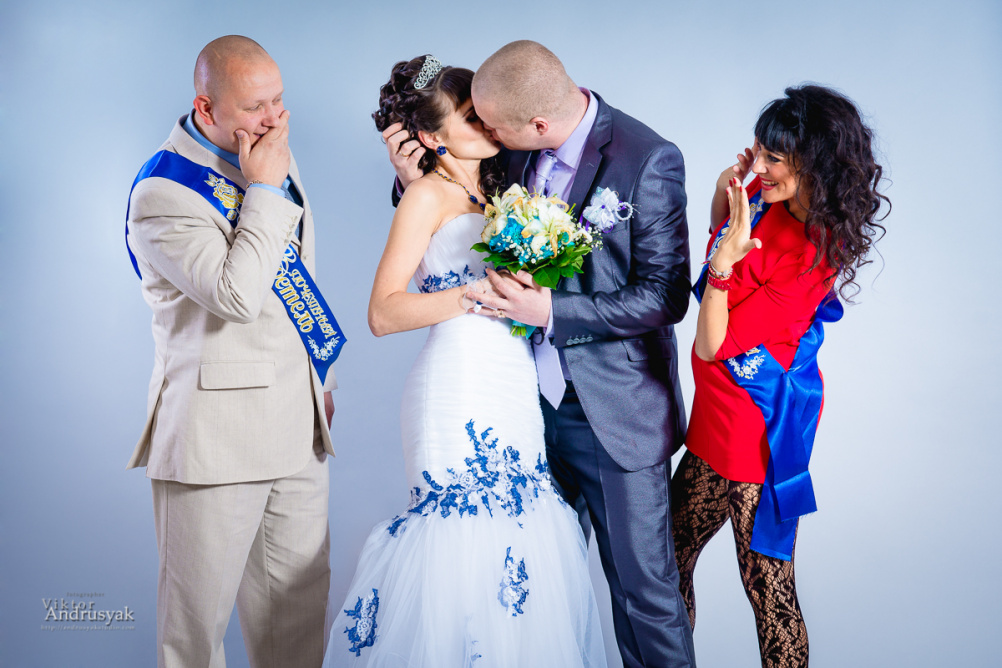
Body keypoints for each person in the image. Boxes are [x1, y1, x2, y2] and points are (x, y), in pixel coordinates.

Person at [386, 41, 695, 668]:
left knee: (643, 593)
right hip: (516, 407)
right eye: (477, 124)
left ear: (536, 124)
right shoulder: (510, 148)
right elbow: (455, 205)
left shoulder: (646, 159)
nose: (488, 136)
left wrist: (552, 312)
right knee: (527, 590)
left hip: (613, 413)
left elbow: (665, 296)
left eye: (493, 127)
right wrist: (408, 177)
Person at [322, 55, 606, 667]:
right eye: (471, 118)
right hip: (457, 383)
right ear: (433, 138)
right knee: (461, 534)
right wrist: (471, 294)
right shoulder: (425, 196)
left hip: (513, 381)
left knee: (522, 527)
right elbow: (382, 313)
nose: (488, 124)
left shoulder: (503, 190)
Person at [125, 35, 339, 668]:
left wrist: (317, 378)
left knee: (296, 623)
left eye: (278, 100)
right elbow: (235, 296)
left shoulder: (265, 152)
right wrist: (265, 190)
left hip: (296, 425)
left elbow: (293, 275)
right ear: (206, 107)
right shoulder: (163, 192)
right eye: (254, 106)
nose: (274, 118)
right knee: (194, 638)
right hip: (215, 439)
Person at [671, 85, 889, 667]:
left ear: (814, 163)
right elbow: (723, 240)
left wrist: (723, 265)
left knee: (767, 588)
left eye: (774, 157)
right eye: (759, 151)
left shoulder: (811, 254)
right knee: (667, 560)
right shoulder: (767, 197)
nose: (760, 166)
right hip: (714, 416)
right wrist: (730, 188)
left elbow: (713, 341)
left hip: (753, 429)